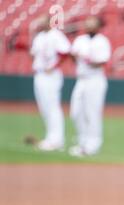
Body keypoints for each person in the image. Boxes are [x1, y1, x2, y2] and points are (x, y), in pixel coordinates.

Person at [69, 16, 111, 157]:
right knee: (76, 112)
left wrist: (86, 58)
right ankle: (83, 142)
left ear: (98, 26)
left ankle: (93, 144)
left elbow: (101, 62)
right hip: (81, 80)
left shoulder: (102, 41)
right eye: (87, 23)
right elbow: (73, 57)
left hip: (95, 80)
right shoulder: (80, 40)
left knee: (92, 113)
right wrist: (75, 56)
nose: (89, 26)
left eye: (92, 24)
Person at [30, 14, 71, 151]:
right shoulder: (39, 37)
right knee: (44, 108)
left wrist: (53, 66)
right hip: (40, 74)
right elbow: (33, 54)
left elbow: (65, 52)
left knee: (52, 107)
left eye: (43, 21)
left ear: (49, 22)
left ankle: (57, 140)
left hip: (51, 75)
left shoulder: (56, 35)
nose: (40, 23)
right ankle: (50, 138)